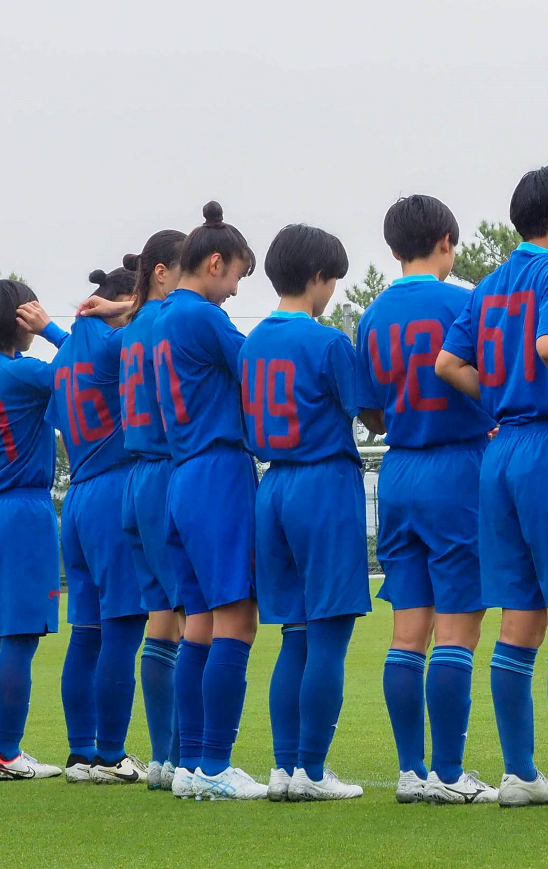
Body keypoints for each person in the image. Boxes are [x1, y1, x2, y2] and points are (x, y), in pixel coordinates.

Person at [435, 165, 548, 810]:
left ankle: (519, 774)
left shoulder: (488, 286)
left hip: (499, 450)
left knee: (518, 615)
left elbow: (450, 363)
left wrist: (501, 399)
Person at [355, 195, 498, 805]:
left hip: (400, 473)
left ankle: (412, 771)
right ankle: (447, 772)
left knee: (406, 632)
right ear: (448, 240)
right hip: (458, 469)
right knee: (457, 633)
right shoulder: (466, 302)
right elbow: (493, 382)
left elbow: (369, 412)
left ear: (392, 249)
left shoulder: (372, 314)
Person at [240, 223, 370, 802]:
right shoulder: (327, 342)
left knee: (293, 635)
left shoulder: (251, 344)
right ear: (318, 277)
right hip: (322, 483)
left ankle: (285, 768)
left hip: (273, 488)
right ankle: (313, 772)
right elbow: (372, 415)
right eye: (334, 280)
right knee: (328, 636)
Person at [152, 203, 268, 801]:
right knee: (237, 620)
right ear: (215, 263)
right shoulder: (203, 316)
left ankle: (193, 765)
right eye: (238, 278)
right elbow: (262, 367)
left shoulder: (163, 315)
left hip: (182, 475)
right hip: (219, 471)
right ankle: (216, 764)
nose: (234, 292)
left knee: (197, 622)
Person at [0, 279, 69, 781]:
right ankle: (7, 752)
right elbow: (83, 370)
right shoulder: (23, 373)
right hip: (22, 512)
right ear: (16, 320)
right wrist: (52, 332)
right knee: (20, 638)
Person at [48, 267, 149, 785]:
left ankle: (81, 751)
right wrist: (126, 312)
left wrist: (50, 330)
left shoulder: (65, 354)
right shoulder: (117, 342)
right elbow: (157, 330)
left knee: (85, 634)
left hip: (78, 497)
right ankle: (111, 754)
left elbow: (80, 350)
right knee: (124, 632)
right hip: (114, 492)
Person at [118, 230, 189, 790]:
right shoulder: (174, 320)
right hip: (170, 470)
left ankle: (164, 755)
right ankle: (188, 757)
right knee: (194, 616)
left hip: (134, 475)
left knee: (160, 618)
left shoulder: (132, 328)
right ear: (163, 271)